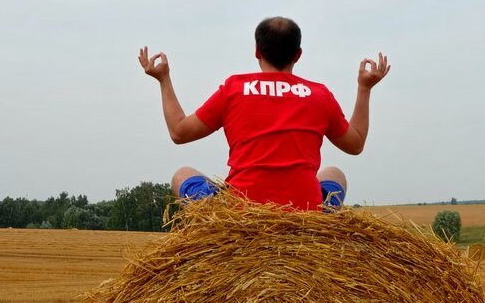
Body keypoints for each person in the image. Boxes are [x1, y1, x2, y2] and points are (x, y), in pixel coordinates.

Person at [139, 16, 390, 211]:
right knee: (335, 174)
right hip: (305, 211)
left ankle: (210, 222)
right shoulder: (319, 95)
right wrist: (364, 88)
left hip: (241, 210)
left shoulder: (234, 89)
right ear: (298, 55)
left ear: (257, 51)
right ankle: (324, 222)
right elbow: (355, 144)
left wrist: (163, 79)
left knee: (182, 174)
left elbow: (179, 132)